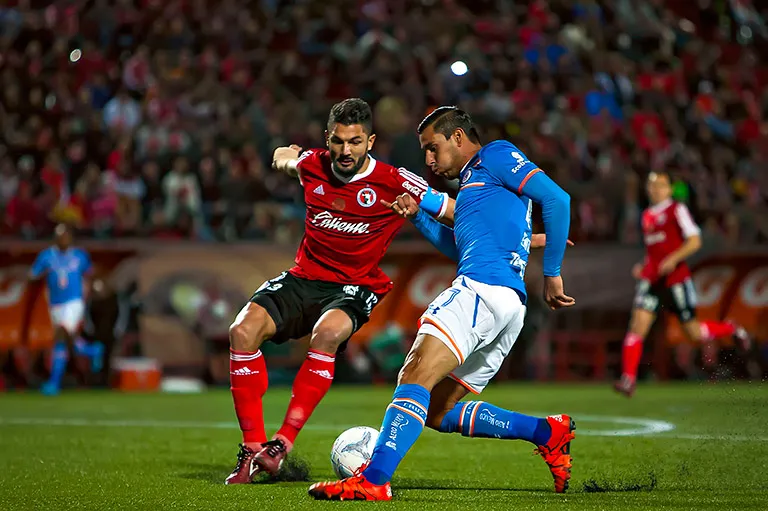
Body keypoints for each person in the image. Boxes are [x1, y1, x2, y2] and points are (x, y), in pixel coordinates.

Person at [308, 106, 576, 501]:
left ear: (457, 138)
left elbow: (558, 199)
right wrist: (419, 217)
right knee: (434, 410)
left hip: (481, 291)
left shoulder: (495, 155)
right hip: (505, 307)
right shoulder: (474, 189)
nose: (429, 161)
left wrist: (551, 271)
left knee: (413, 375)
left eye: (433, 149)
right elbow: (460, 246)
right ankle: (547, 433)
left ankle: (374, 480)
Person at [225, 98, 441, 484]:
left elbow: (456, 211)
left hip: (354, 285)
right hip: (304, 276)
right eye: (338, 141)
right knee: (241, 331)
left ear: (370, 141)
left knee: (326, 334)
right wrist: (286, 155)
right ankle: (254, 450)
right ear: (328, 138)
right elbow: (283, 158)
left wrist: (521, 239)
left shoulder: (396, 182)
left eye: (355, 142)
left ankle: (283, 443)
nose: (345, 151)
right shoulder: (313, 165)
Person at [614, 171, 754, 397]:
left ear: (669, 189)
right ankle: (628, 379)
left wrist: (673, 259)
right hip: (653, 281)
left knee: (693, 334)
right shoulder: (647, 215)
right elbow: (655, 252)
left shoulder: (676, 210)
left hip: (676, 280)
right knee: (637, 327)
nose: (654, 189)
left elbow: (694, 241)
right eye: (651, 185)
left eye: (660, 185)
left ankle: (732, 328)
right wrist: (644, 266)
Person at [29, 224, 103, 395]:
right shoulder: (47, 256)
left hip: (74, 302)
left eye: (65, 236)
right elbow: (33, 274)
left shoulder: (79, 255)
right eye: (59, 236)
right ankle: (91, 350)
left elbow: (90, 273)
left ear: (70, 237)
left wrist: (93, 287)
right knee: (61, 342)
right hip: (55, 304)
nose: (63, 239)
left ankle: (54, 383)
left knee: (62, 332)